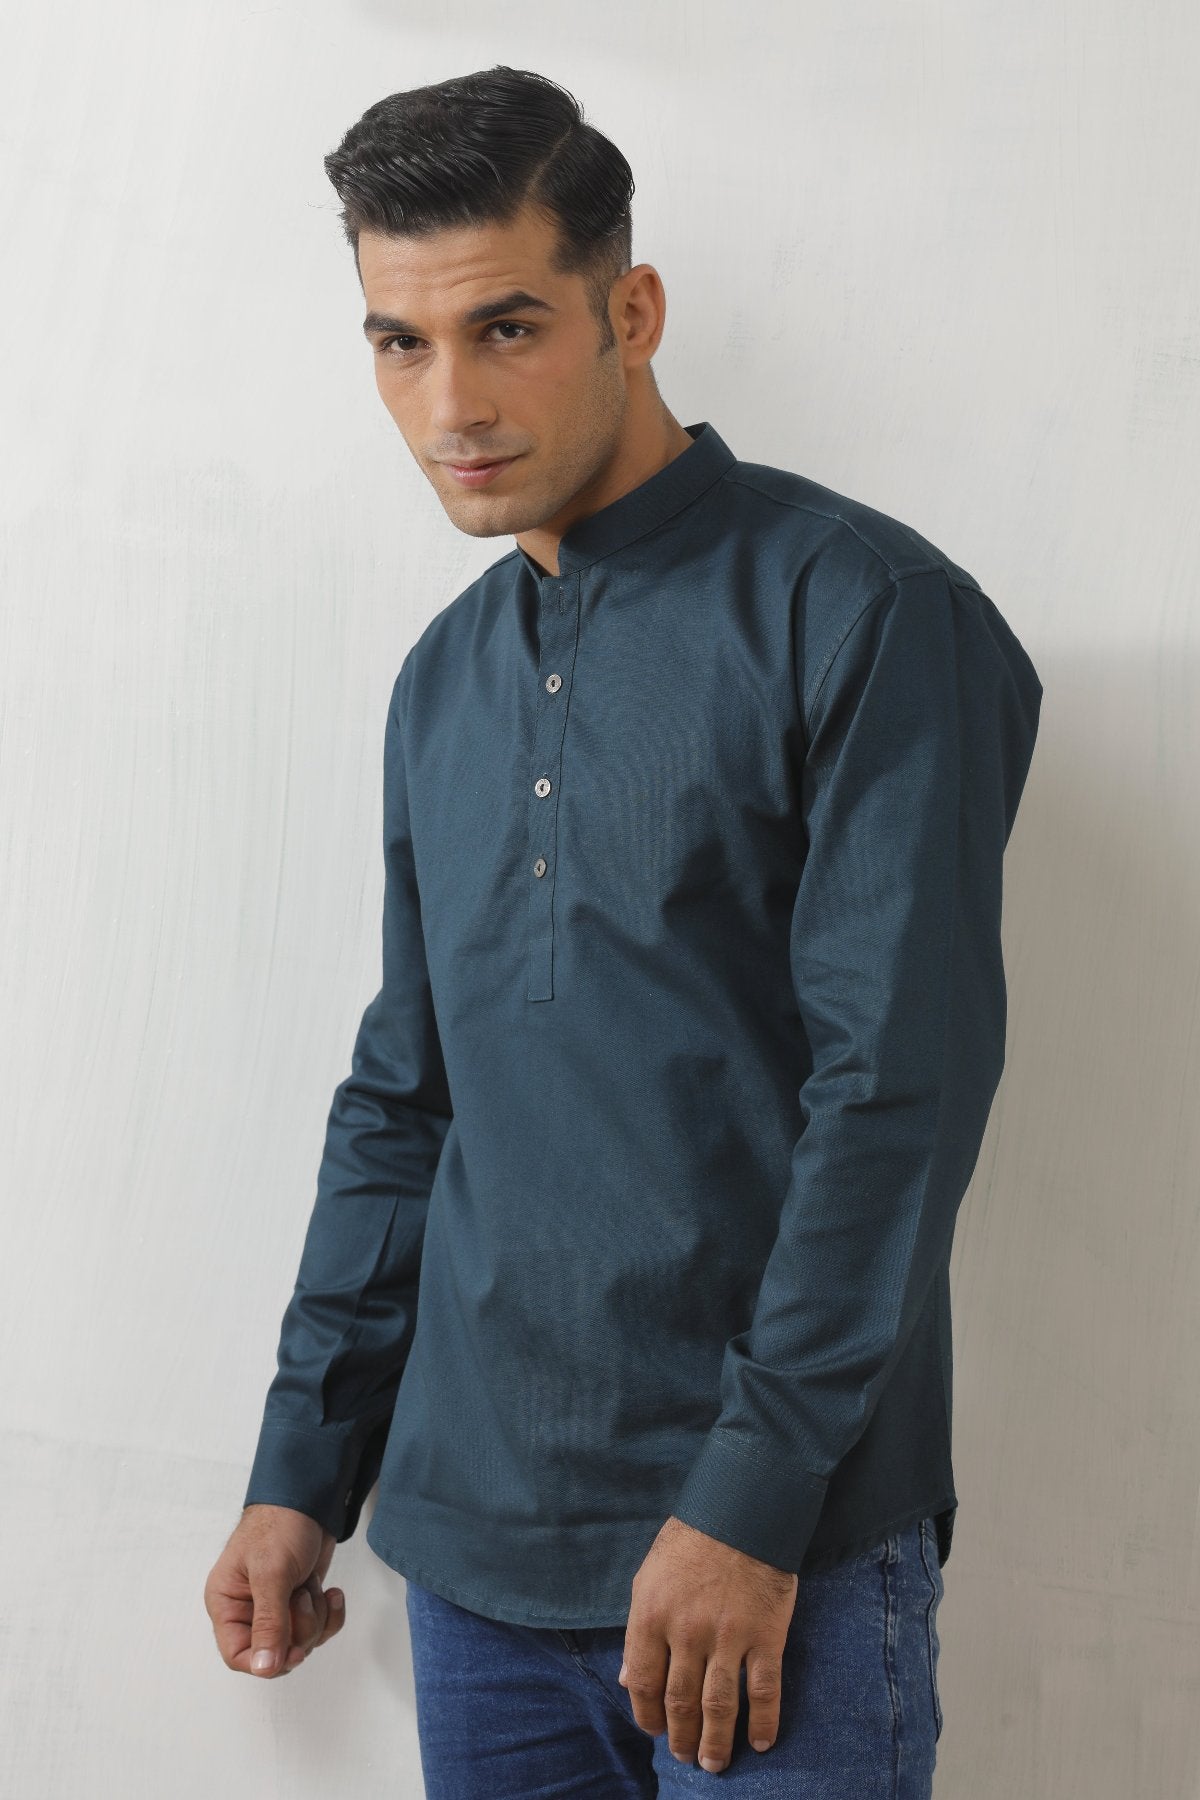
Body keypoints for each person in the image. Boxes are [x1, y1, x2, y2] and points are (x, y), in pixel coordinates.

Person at [204, 64, 1043, 1795]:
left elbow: (897, 1097)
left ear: (631, 311)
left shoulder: (866, 611)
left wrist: (750, 1500)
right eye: (399, 344)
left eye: (506, 328)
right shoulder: (443, 678)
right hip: (473, 1555)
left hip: (775, 1559)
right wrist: (304, 1467)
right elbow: (405, 1103)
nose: (451, 404)